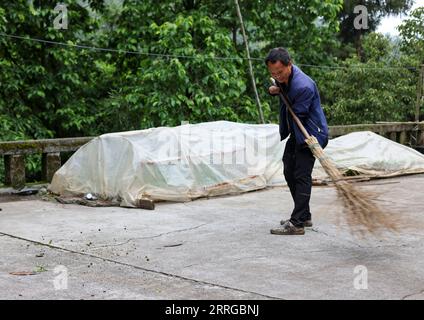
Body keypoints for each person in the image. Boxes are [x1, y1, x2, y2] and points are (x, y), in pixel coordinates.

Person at [265, 47, 329, 235]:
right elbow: (282, 89)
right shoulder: (285, 78)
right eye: (273, 73)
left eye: (280, 72)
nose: (277, 76)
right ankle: (304, 215)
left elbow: (298, 114)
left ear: (289, 65)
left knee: (301, 174)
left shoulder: (303, 86)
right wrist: (275, 90)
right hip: (297, 132)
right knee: (288, 169)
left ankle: (297, 223)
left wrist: (281, 90)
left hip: (310, 134)